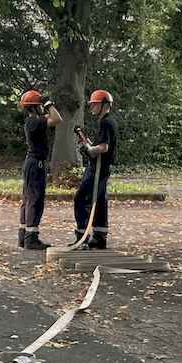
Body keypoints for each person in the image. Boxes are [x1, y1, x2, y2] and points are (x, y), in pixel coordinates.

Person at [17, 90, 62, 250]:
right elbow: (57, 119)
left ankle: (24, 236)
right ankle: (31, 239)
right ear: (36, 107)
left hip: (32, 163)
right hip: (36, 164)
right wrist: (49, 104)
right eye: (40, 105)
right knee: (35, 200)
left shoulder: (32, 121)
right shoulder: (35, 121)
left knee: (28, 199)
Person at [73, 89, 118, 250]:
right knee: (99, 201)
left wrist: (90, 150)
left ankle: (82, 238)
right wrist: (87, 144)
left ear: (104, 105)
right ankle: (99, 237)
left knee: (81, 199)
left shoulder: (106, 122)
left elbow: (104, 147)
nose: (92, 107)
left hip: (98, 169)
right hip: (101, 168)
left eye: (95, 104)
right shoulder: (107, 121)